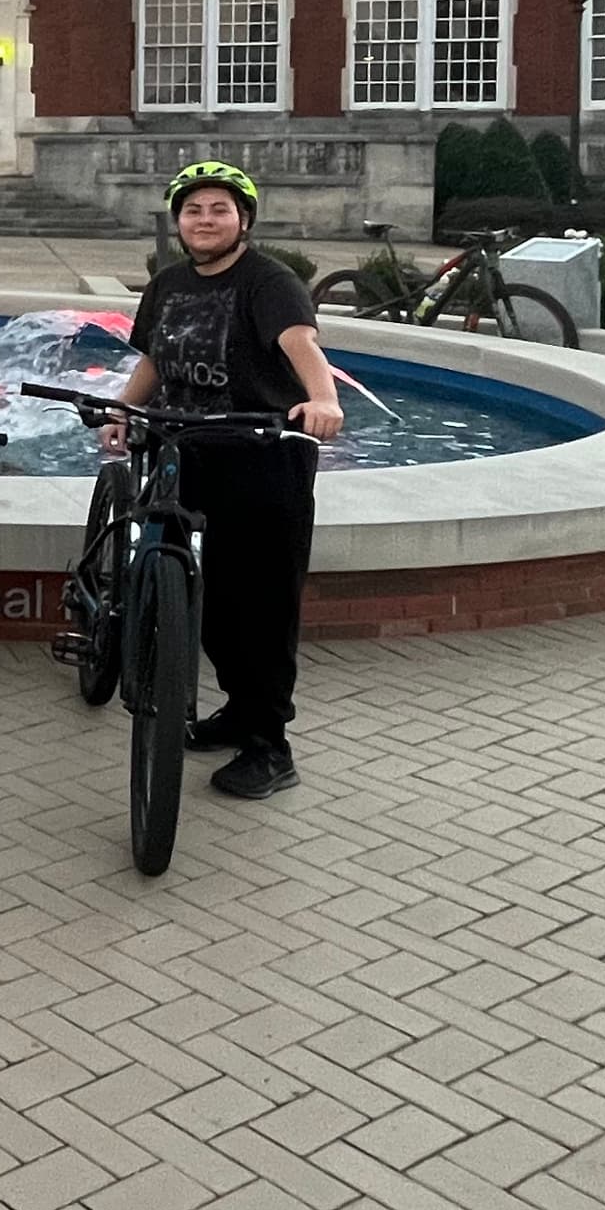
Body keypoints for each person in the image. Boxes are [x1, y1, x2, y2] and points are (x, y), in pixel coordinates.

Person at [100, 160, 346, 799]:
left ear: (244, 220)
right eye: (193, 211)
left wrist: (323, 401)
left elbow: (302, 346)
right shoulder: (169, 283)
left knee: (261, 604)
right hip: (187, 450)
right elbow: (157, 355)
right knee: (202, 595)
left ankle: (270, 744)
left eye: (219, 210)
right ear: (178, 222)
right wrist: (127, 411)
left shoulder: (269, 281)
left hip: (262, 456)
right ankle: (237, 710)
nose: (205, 221)